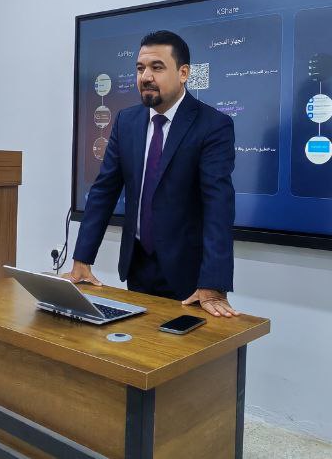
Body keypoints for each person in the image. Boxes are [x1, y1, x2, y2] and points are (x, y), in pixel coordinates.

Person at [67, 30, 239, 317]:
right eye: (140, 68)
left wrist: (213, 282)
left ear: (183, 73)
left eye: (157, 67)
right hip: (136, 264)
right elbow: (103, 191)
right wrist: (82, 258)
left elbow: (218, 206)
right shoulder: (126, 121)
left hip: (189, 278)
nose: (145, 76)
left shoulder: (213, 125)